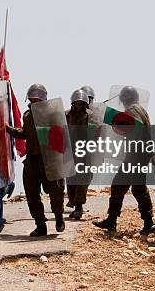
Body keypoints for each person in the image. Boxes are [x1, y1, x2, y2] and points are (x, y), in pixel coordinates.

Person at [93, 86, 155, 235]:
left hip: (136, 155)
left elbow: (134, 128)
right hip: (138, 154)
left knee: (133, 188)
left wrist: (110, 118)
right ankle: (114, 220)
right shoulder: (138, 109)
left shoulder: (133, 110)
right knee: (123, 186)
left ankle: (148, 223)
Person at [6, 83, 65, 236]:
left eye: (37, 99)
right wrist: (9, 129)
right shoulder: (27, 115)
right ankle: (40, 225)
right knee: (31, 193)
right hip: (32, 159)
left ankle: (59, 217)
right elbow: (24, 133)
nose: (34, 102)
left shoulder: (53, 114)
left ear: (43, 99)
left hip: (50, 159)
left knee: (55, 192)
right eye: (32, 99)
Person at [65, 89, 92, 220]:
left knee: (82, 181)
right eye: (77, 103)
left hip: (84, 153)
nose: (79, 106)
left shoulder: (91, 116)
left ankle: (79, 207)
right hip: (70, 153)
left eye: (81, 104)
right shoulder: (66, 115)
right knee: (70, 181)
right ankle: (73, 203)